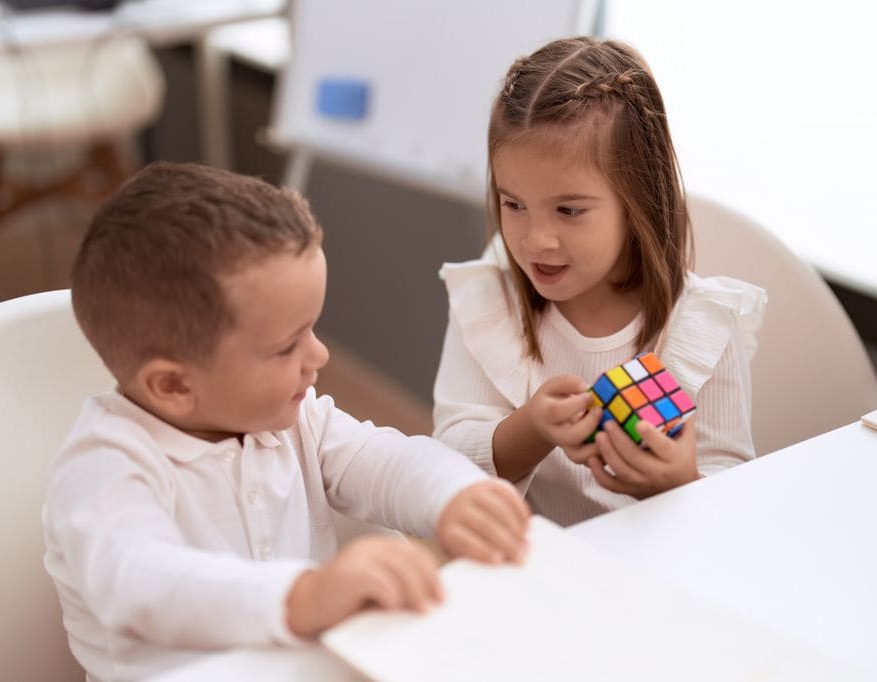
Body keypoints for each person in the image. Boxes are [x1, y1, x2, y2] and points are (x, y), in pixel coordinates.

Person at [42, 161, 530, 681]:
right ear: (175, 386)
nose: (318, 355)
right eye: (285, 347)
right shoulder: (104, 468)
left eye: (311, 330)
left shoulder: (291, 421)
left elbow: (379, 459)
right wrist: (304, 596)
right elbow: (143, 584)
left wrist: (453, 493)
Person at [432, 37, 766, 526]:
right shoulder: (489, 306)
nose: (536, 240)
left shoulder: (703, 328)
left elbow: (735, 490)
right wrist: (531, 429)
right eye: (514, 204)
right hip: (540, 565)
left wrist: (680, 483)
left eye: (569, 210)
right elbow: (446, 465)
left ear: (638, 203)